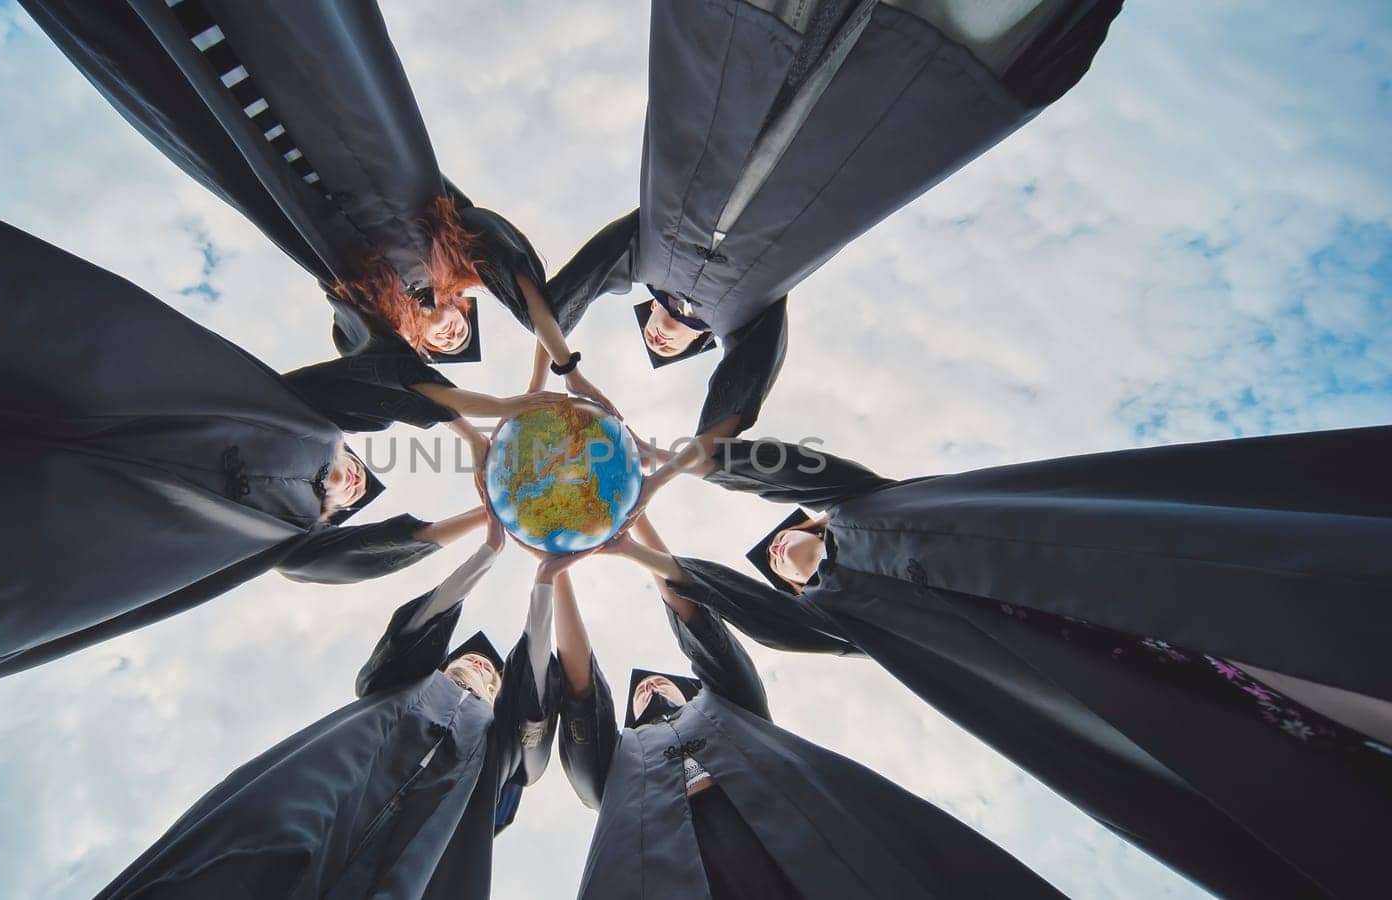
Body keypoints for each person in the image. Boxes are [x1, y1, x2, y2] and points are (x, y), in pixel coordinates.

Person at [0, 137, 488, 734]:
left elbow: (339, 562)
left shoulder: (272, 532)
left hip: (47, 521)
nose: (354, 479)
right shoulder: (285, 411)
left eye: (349, 496)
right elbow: (387, 385)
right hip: (75, 380)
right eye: (360, 467)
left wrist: (481, 523)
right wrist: (480, 422)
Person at [646, 432, 1392, 898]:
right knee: (1289, 750)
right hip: (1108, 680)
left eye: (780, 538)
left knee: (1317, 614)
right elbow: (757, 621)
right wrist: (651, 556)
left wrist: (690, 457)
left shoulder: (866, 503)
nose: (778, 553)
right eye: (777, 567)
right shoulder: (847, 621)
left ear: (806, 514)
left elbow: (794, 465)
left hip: (1115, 571)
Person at [547, 0, 1122, 491]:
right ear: (696, 348)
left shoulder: (639, 254)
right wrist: (664, 473)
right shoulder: (745, 316)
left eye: (649, 333)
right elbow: (735, 403)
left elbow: (561, 294)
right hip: (832, 138)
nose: (658, 337)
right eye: (667, 349)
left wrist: (554, 370)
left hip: (728, 81)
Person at [19, 0, 617, 415]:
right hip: (361, 143)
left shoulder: (369, 317)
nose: (456, 333)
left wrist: (497, 411)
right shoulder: (455, 245)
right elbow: (516, 274)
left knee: (194, 77)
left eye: (446, 346)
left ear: (424, 350)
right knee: (291, 39)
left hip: (279, 173)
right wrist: (560, 368)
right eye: (464, 331)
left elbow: (392, 378)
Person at [550, 518, 1062, 899]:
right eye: (643, 690)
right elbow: (578, 687)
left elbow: (699, 626)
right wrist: (555, 573)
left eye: (662, 681)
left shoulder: (727, 705)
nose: (653, 686)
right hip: (659, 864)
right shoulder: (618, 762)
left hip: (801, 825)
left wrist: (638, 533)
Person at [93, 515, 564, 899]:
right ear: (443, 661)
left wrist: (543, 584)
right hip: (297, 818)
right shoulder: (399, 682)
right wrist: (488, 553)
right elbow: (417, 627)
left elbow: (535, 704)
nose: (483, 667)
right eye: (471, 658)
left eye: (492, 672)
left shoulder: (498, 750)